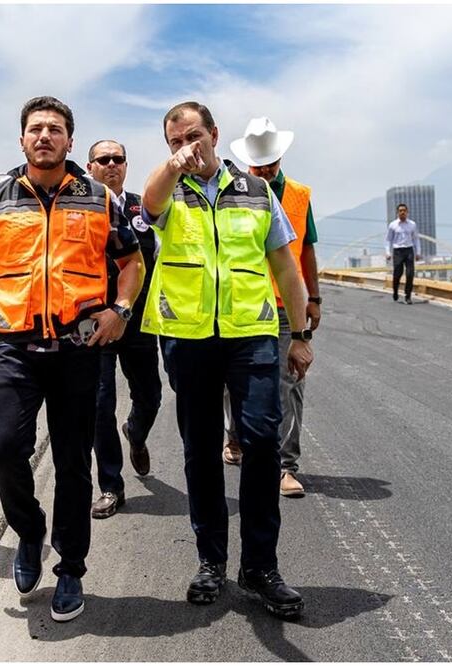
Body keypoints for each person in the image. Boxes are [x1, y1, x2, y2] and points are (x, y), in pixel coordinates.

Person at [0, 96, 144, 623]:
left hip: (80, 347)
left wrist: (120, 311)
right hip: (14, 346)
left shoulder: (99, 199)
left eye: (55, 129)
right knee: (4, 449)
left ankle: (72, 569)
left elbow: (132, 263)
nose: (44, 136)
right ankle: (30, 532)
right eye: (35, 129)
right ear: (21, 140)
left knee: (73, 464)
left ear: (69, 141)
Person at [141, 101, 314, 620]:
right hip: (188, 337)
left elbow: (286, 268)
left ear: (215, 135)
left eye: (193, 136)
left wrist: (301, 334)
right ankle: (211, 561)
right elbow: (148, 207)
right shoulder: (171, 192)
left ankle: (259, 567)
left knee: (261, 440)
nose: (186, 146)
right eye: (174, 141)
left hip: (252, 335)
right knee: (199, 450)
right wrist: (172, 167)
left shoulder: (259, 194)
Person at [225, 116, 322, 499]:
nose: (263, 169)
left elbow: (308, 249)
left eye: (270, 163)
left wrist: (313, 298)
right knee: (233, 381)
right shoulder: (235, 193)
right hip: (243, 301)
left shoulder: (299, 195)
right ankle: (233, 436)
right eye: (257, 164)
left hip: (284, 304)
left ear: (279, 158)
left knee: (289, 382)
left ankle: (286, 466)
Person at [85, 139, 161, 519]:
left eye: (118, 159)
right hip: (95, 322)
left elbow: (161, 259)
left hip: (138, 320)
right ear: (90, 165)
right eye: (103, 159)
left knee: (151, 394)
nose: (111, 165)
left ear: (126, 166)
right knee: (99, 405)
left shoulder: (142, 209)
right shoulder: (79, 205)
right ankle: (111, 486)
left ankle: (136, 430)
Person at [386, 203, 420, 304]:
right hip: (398, 251)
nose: (402, 212)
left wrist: (418, 252)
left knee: (410, 274)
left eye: (404, 211)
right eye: (400, 211)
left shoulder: (412, 225)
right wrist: (388, 252)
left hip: (409, 250)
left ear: (407, 212)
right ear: (397, 212)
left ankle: (408, 296)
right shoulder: (393, 225)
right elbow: (388, 240)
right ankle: (395, 291)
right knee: (397, 273)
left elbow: (416, 239)